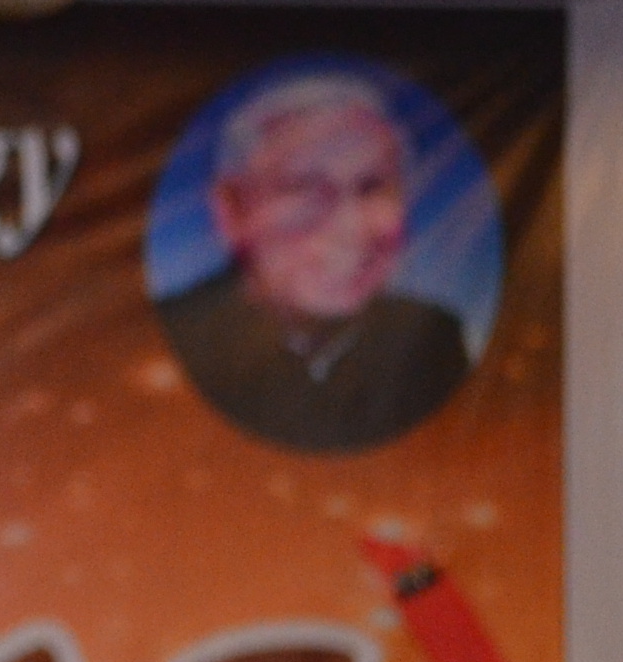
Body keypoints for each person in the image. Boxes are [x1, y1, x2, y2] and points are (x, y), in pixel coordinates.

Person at [153, 72, 476, 454]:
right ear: (233, 209)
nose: (349, 227)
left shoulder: (431, 340)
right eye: (304, 188)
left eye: (372, 186)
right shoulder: (168, 341)